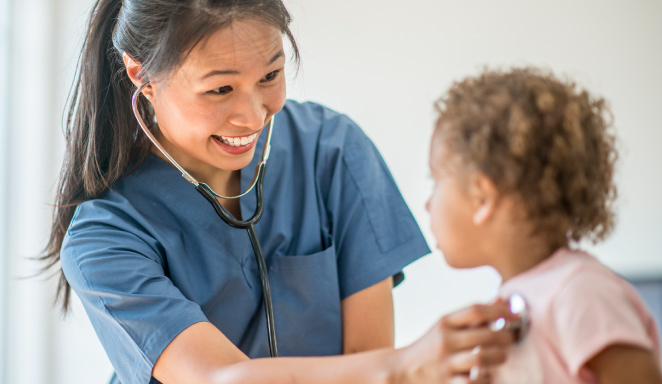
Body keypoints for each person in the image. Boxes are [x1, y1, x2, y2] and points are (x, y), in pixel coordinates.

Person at [43, 1, 516, 383]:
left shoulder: (331, 150)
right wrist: (412, 364)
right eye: (220, 90)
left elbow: (369, 359)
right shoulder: (103, 239)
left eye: (270, 76)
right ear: (140, 76)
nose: (252, 116)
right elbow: (222, 379)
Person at [426, 67, 662, 383]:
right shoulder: (518, 302)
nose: (428, 203)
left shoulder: (582, 294)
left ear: (482, 198)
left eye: (436, 180)